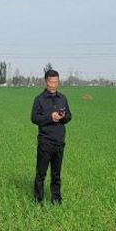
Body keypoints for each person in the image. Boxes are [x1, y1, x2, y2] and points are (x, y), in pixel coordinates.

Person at [31, 68, 72, 204]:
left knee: (56, 174)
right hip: (45, 142)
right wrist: (50, 117)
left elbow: (69, 116)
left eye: (56, 82)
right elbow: (34, 118)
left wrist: (63, 117)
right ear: (45, 82)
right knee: (41, 173)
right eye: (51, 82)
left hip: (59, 142)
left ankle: (56, 199)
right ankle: (38, 200)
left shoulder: (62, 98)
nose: (53, 85)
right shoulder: (39, 99)